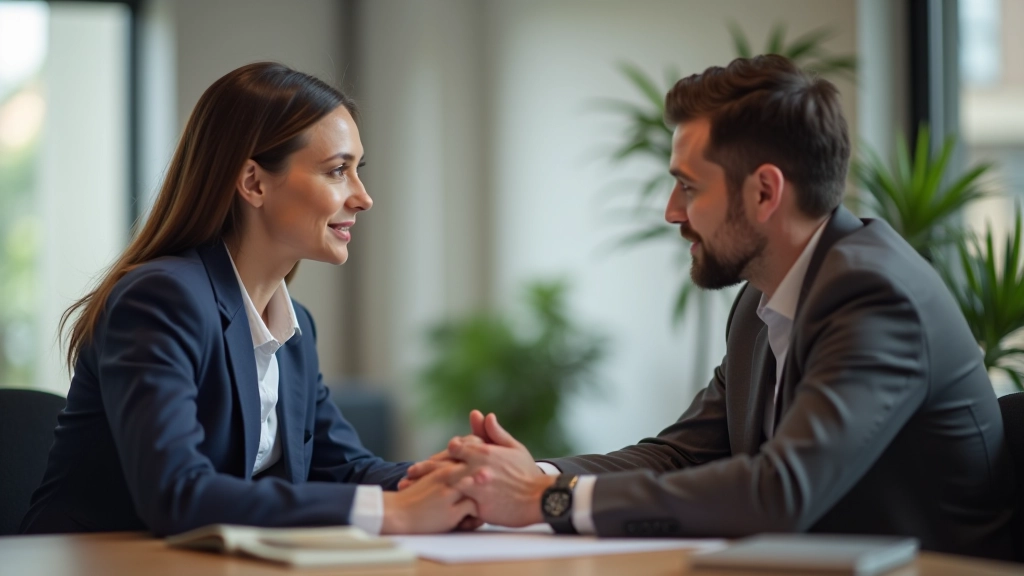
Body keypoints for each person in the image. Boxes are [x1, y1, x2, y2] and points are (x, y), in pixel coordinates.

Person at [404, 55, 1017, 560]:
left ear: (765, 191)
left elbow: (781, 490)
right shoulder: (762, 299)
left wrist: (547, 500)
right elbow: (682, 452)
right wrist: (532, 473)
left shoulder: (876, 295)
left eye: (690, 186)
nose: (672, 211)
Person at [21, 62, 476, 537]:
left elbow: (347, 470)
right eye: (338, 170)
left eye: (358, 170)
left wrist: (460, 479)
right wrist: (394, 513)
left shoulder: (295, 327)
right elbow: (177, 493)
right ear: (254, 183)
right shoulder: (160, 299)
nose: (363, 197)